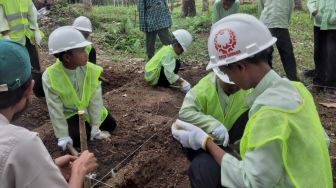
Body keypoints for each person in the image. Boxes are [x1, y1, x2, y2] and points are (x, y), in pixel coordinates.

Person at [172, 14, 332, 187]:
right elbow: (325, 141)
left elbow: (251, 182)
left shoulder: (269, 114)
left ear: (240, 67)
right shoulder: (298, 91)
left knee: (202, 170)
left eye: (226, 72)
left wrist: (206, 142)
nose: (228, 78)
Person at [0, 39, 98, 187]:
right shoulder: (21, 144)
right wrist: (79, 171)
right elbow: (55, 109)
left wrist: (50, 166)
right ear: (29, 88)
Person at [42, 26, 117, 151]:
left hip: (87, 108)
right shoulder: (50, 77)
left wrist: (95, 125)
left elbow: (95, 100)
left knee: (111, 125)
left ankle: (90, 127)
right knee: (77, 138)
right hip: (70, 112)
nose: (86, 54)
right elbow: (55, 109)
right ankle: (81, 130)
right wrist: (62, 135)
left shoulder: (90, 70)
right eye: (82, 50)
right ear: (67, 57)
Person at [179, 69, 250, 148]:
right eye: (230, 83)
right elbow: (184, 112)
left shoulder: (248, 88)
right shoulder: (204, 88)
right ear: (219, 76)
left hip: (230, 134)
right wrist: (212, 125)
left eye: (238, 82)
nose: (235, 87)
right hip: (206, 139)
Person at [0, 0, 45, 97]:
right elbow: (1, 19)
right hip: (10, 39)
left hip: (27, 36)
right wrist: (5, 35)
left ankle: (40, 91)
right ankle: (17, 96)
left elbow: (32, 13)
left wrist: (35, 29)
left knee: (34, 63)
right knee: (15, 67)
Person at [258, 0, 299, 81]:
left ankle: (267, 77)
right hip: (275, 22)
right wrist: (285, 22)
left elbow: (261, 7)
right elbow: (290, 8)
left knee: (268, 51)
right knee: (286, 52)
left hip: (269, 22)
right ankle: (292, 78)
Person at [144, 29, 193, 93]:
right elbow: (168, 73)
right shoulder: (168, 54)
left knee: (176, 62)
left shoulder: (167, 48)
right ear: (175, 45)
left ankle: (166, 82)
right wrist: (182, 82)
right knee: (174, 65)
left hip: (150, 74)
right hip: (153, 77)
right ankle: (161, 85)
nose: (182, 52)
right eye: (182, 50)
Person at [307, 0, 336, 94]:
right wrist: (314, 11)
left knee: (332, 55)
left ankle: (331, 86)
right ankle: (318, 83)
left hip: (334, 26)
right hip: (318, 23)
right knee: (318, 53)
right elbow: (311, 2)